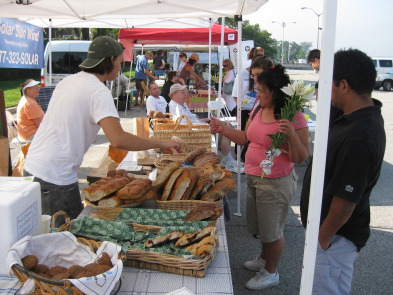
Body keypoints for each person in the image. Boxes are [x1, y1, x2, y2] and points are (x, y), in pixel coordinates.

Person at [23, 36, 181, 225]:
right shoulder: (98, 91)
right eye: (120, 62)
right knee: (67, 238)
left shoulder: (69, 81)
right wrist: (161, 143)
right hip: (55, 175)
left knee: (52, 234)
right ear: (111, 60)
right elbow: (118, 139)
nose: (120, 68)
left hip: (34, 167)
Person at [210, 64, 309, 290]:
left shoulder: (293, 116)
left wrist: (292, 134)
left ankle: (271, 272)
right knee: (262, 226)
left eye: (262, 90)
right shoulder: (256, 109)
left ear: (276, 91)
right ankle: (264, 258)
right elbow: (246, 138)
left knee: (272, 230)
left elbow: (301, 155)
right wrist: (223, 129)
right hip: (254, 177)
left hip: (276, 182)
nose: (258, 94)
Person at [300, 49, 386, 295]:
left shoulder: (361, 134)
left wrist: (321, 239)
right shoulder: (347, 114)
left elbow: (346, 200)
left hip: (334, 238)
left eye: (329, 82)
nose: (323, 89)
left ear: (344, 85)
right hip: (325, 233)